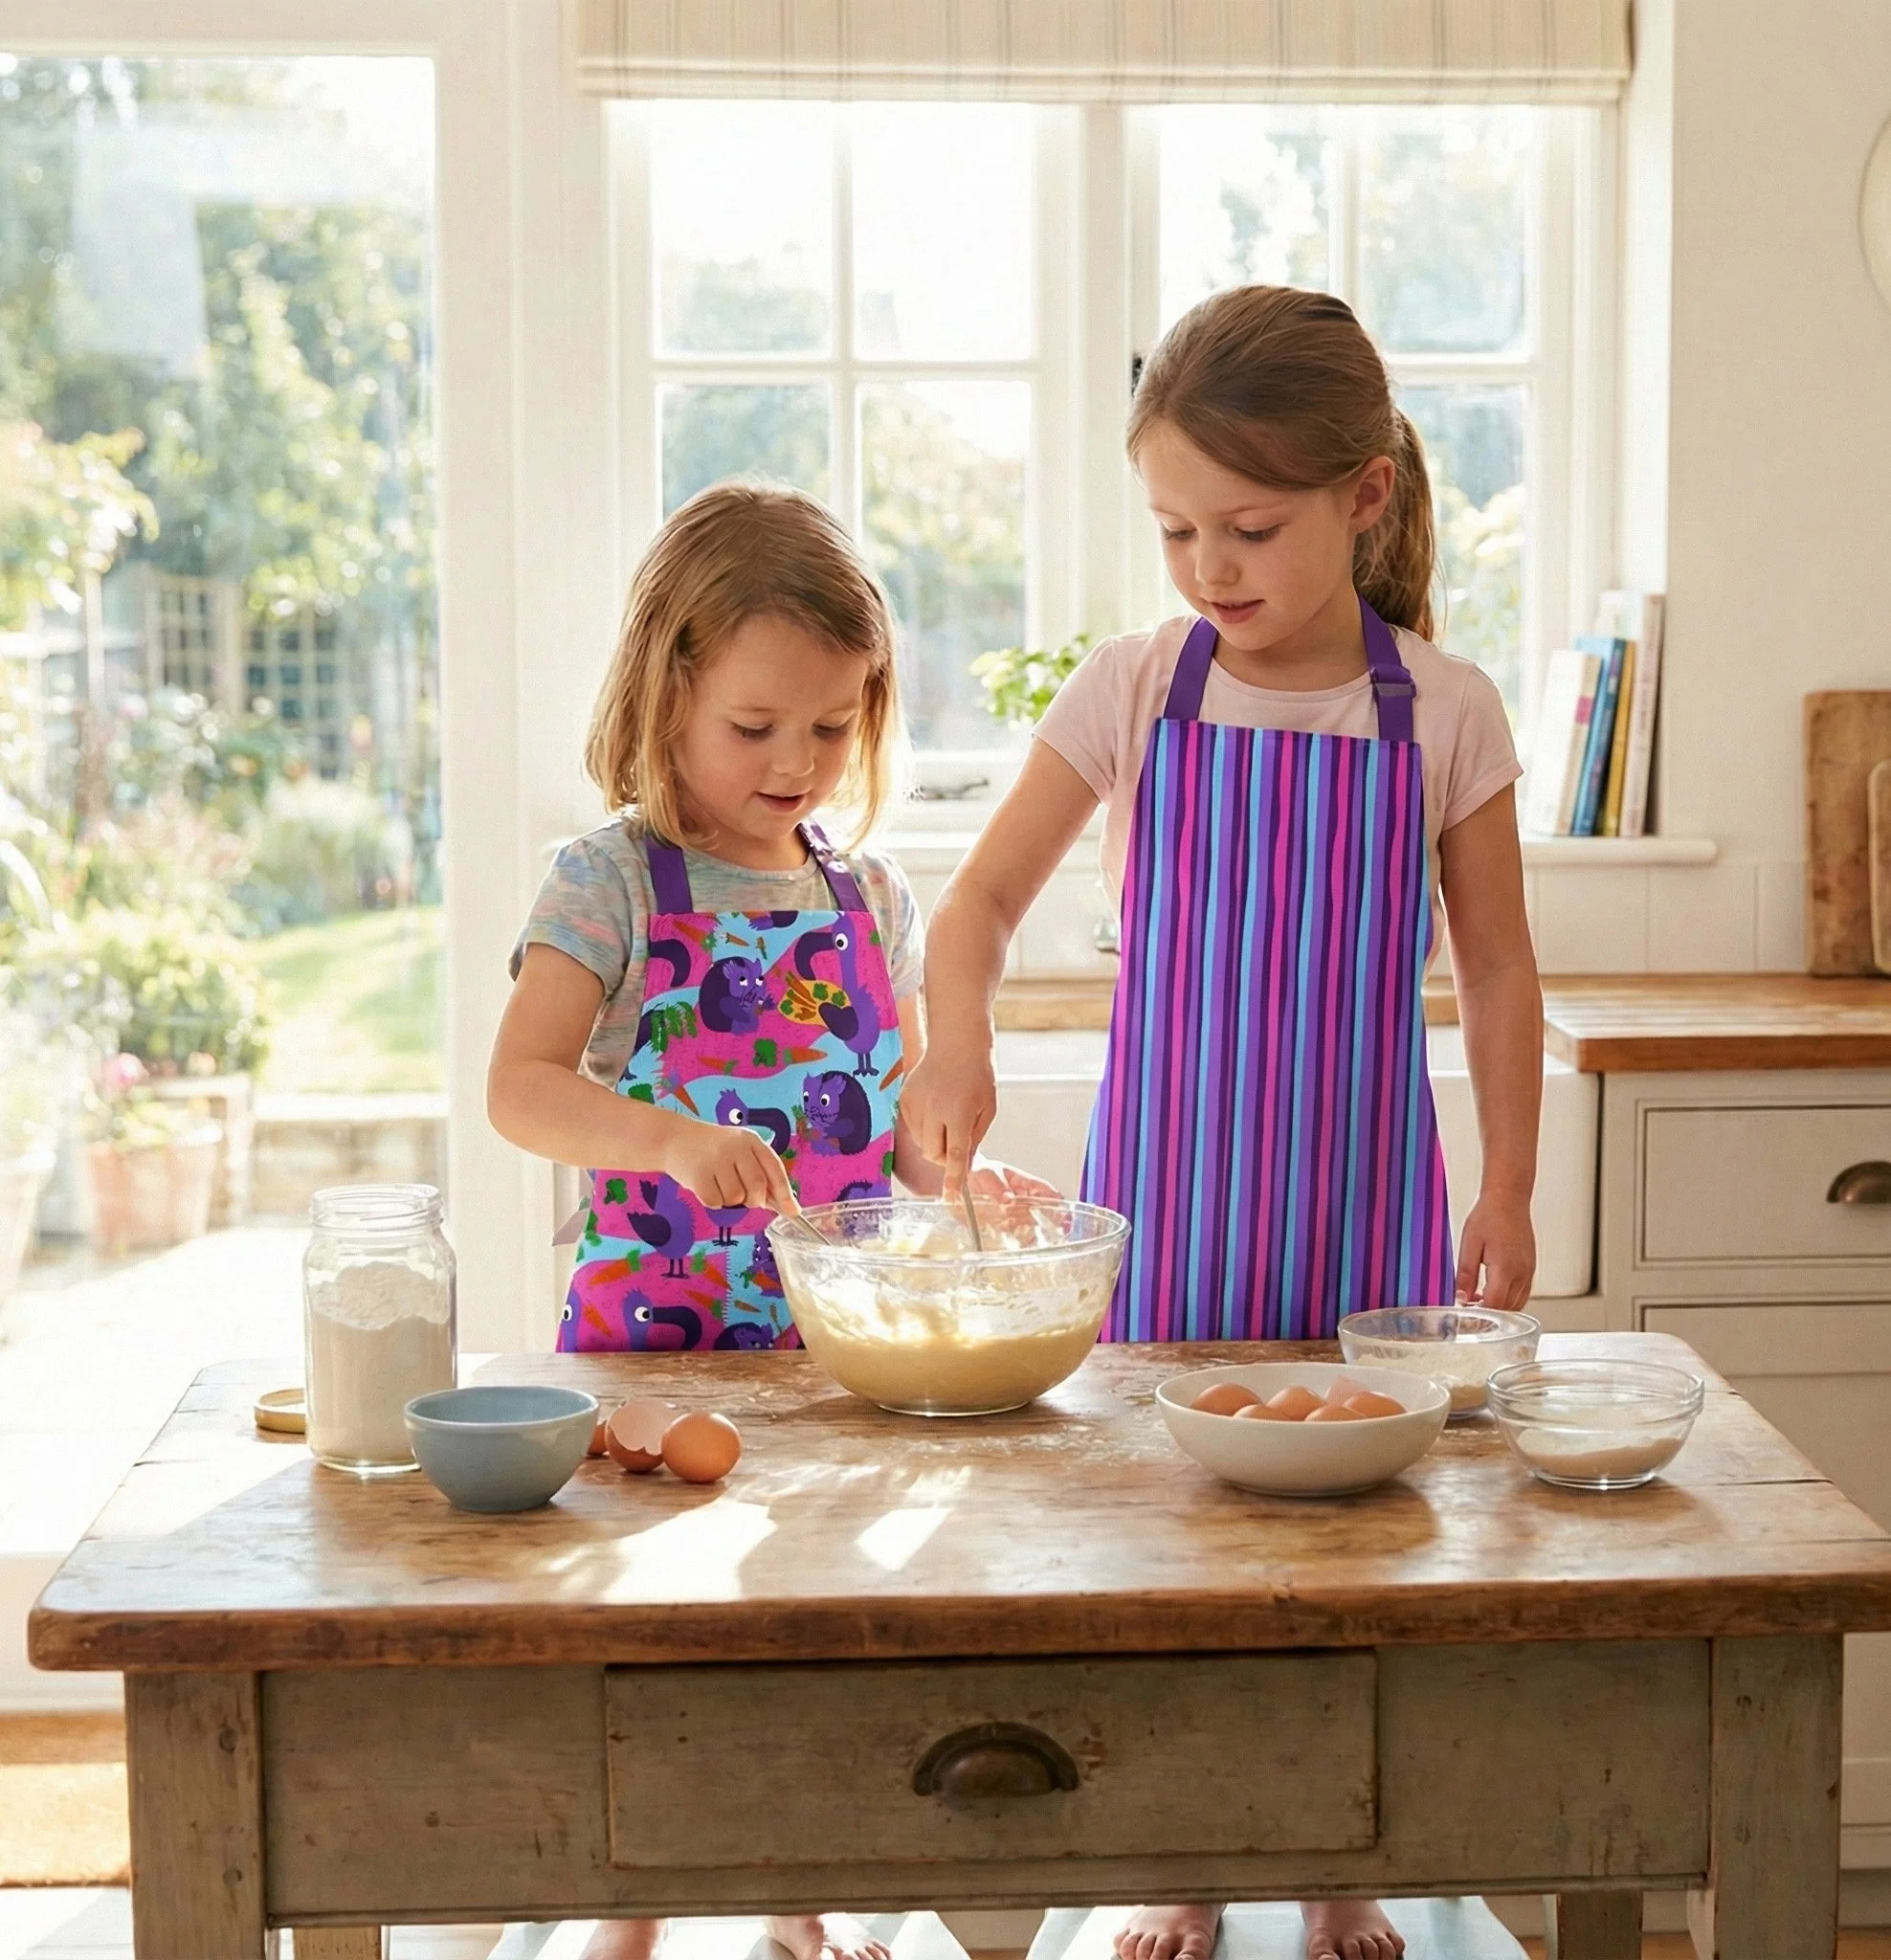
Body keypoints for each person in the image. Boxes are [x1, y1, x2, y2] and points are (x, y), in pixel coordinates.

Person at [904, 286, 1545, 1960]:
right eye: (1179, 529)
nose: (1210, 568)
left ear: (1367, 498)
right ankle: (1183, 1853)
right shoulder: (1138, 690)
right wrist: (951, 1050)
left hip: (1363, 1204)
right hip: (1173, 1202)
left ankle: (1337, 1864)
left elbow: (1496, 976)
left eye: (1248, 528)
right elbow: (967, 907)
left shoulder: (1445, 711)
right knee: (1172, 1537)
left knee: (1357, 1543)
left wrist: (1514, 1190)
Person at [487, 479, 1042, 1960]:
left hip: (836, 1348)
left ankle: (800, 1889)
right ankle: (634, 1905)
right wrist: (667, 1137)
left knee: (815, 1627)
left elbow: (898, 1114)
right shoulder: (607, 880)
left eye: (834, 725)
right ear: (666, 684)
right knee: (653, 1634)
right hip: (655, 1345)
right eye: (757, 727)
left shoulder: (870, 896)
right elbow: (521, 1088)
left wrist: (957, 1178)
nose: (798, 762)